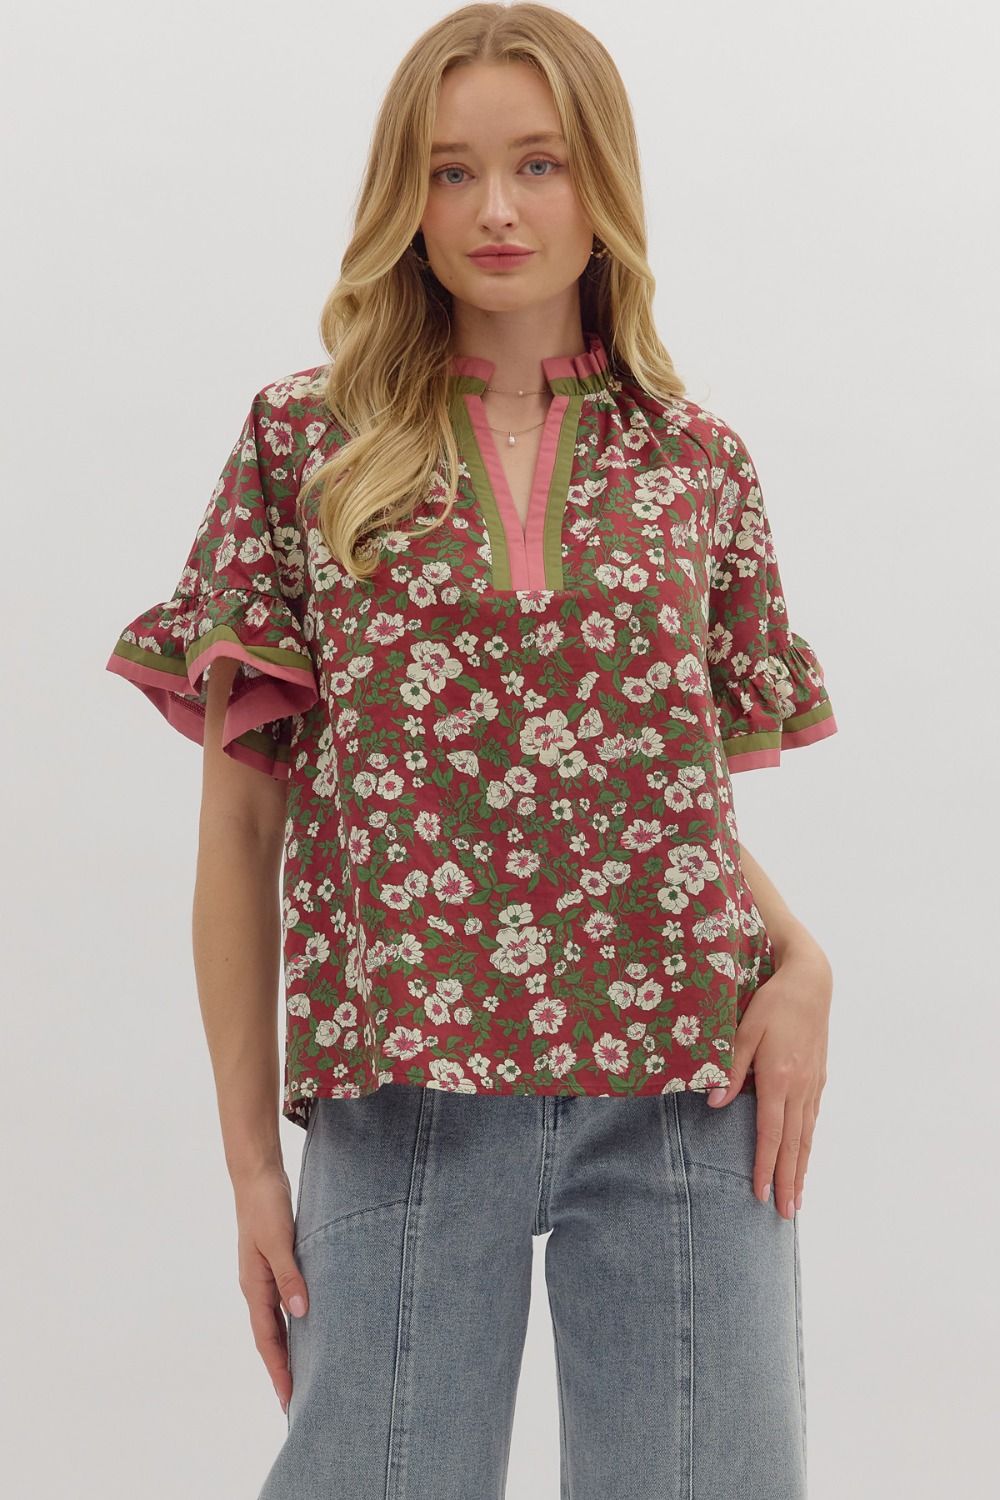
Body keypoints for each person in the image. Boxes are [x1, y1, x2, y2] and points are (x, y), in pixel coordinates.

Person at [105, 5, 838, 1496]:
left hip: (687, 1093)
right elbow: (240, 833)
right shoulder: (305, 447)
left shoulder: (696, 462)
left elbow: (650, 795)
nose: (495, 208)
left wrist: (801, 958)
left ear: (601, 183)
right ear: (406, 198)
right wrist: (252, 1168)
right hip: (404, 1098)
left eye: (538, 164)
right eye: (450, 172)